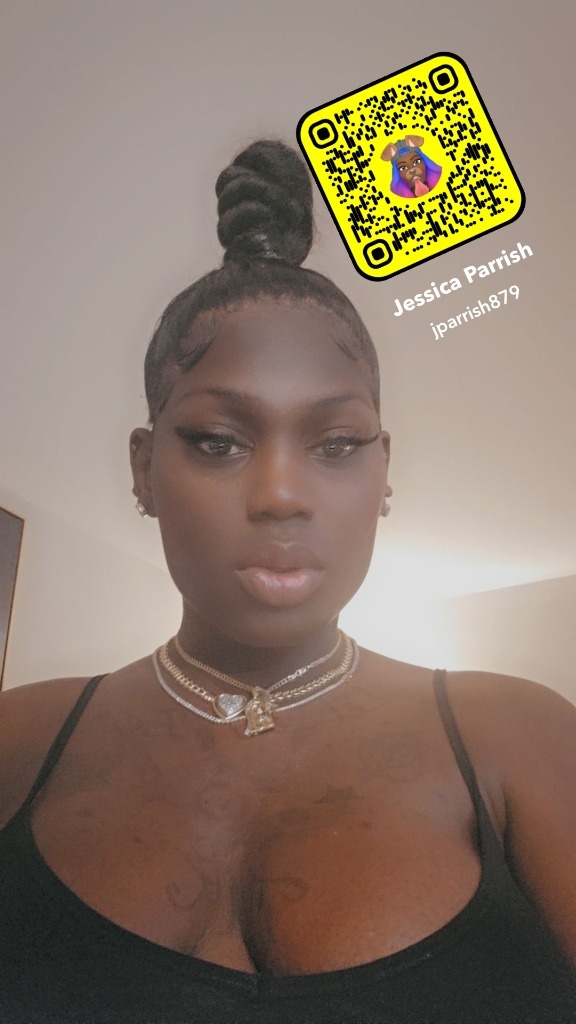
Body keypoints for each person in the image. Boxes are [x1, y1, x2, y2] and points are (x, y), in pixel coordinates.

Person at [0, 139, 575, 1024]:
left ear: (383, 473)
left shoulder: (519, 737)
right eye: (218, 442)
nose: (279, 495)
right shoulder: (19, 741)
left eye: (336, 444)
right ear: (145, 469)